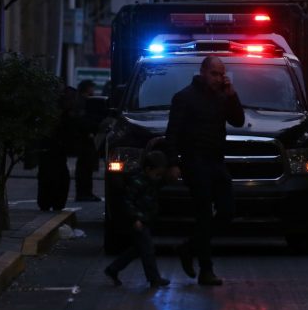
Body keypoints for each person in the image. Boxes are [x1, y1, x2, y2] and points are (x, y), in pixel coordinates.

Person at [165, 55, 245, 286]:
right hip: (195, 162)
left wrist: (232, 96)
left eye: (222, 74)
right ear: (202, 72)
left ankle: (188, 248)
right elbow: (173, 133)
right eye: (214, 74)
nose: (218, 78)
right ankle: (206, 269)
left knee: (227, 211)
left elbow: (238, 121)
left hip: (216, 162)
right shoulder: (184, 98)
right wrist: (173, 162)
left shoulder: (222, 97)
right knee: (203, 215)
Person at [104, 151, 171, 288]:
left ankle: (113, 269)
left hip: (144, 219)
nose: (158, 178)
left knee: (138, 249)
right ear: (148, 169)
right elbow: (128, 201)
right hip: (138, 220)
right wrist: (135, 218)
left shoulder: (149, 181)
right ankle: (154, 278)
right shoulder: (138, 182)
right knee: (148, 249)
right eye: (157, 174)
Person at [36, 86, 76, 212]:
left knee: (51, 175)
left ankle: (48, 202)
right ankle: (52, 202)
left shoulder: (54, 112)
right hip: (54, 150)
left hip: (52, 150)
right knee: (56, 176)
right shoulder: (61, 115)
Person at [74, 79, 101, 202]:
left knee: (86, 167)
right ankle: (84, 193)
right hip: (84, 138)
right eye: (91, 88)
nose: (93, 91)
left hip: (85, 138)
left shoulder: (82, 101)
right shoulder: (82, 102)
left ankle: (85, 192)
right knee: (85, 167)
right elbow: (82, 120)